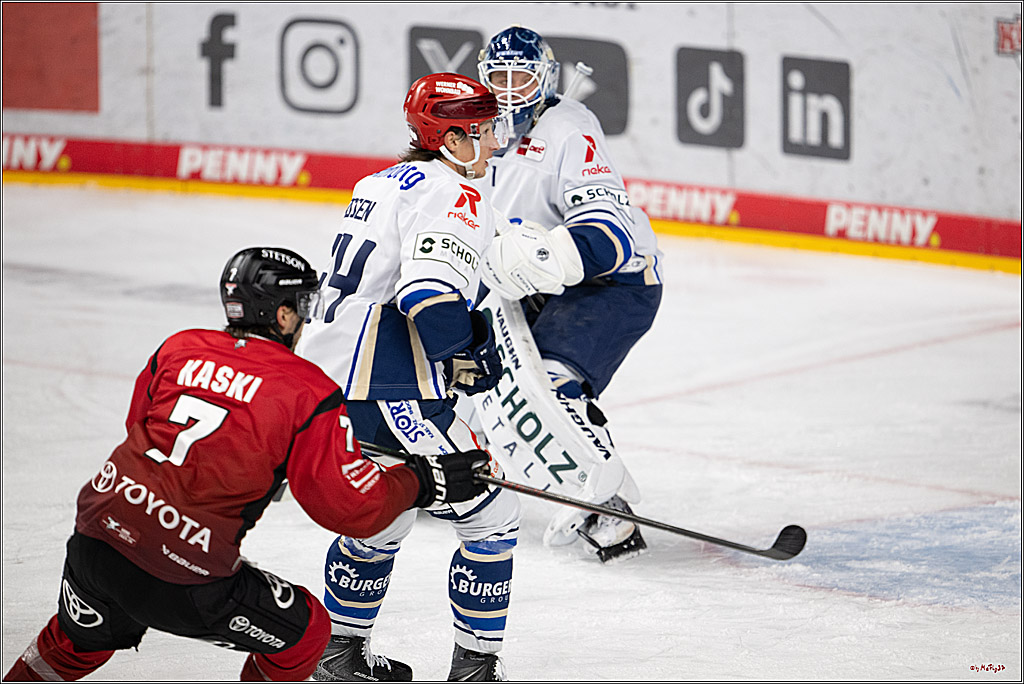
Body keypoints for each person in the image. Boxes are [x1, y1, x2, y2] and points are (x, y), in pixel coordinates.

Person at [2, 247, 492, 683]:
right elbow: (349, 509)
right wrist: (422, 481)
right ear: (280, 315)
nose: (304, 322)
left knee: (74, 645)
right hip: (184, 574)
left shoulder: (177, 347)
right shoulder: (307, 388)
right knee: (308, 634)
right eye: (301, 308)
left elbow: (141, 429)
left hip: (96, 538)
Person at [294, 73, 517, 682]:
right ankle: (474, 671)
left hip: (328, 384)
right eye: (484, 131)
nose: (496, 143)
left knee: (384, 513)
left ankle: (337, 655)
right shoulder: (456, 193)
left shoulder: (379, 183)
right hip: (389, 385)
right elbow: (426, 292)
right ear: (450, 140)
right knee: (493, 520)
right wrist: (466, 349)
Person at [474, 26, 664, 563]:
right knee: (477, 384)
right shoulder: (478, 134)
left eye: (523, 76)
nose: (510, 89)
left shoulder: (570, 127)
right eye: (499, 76)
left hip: (613, 285)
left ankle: (610, 509)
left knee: (552, 387)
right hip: (537, 290)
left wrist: (549, 258)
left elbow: (608, 227)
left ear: (547, 79)